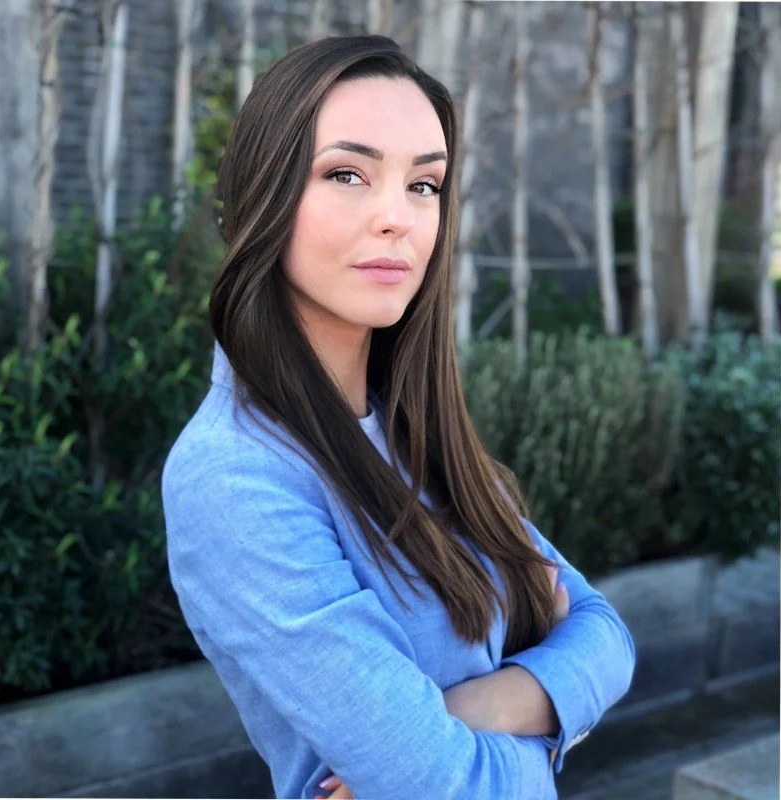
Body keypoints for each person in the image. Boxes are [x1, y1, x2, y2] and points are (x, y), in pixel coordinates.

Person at [161, 34, 636, 800]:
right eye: (347, 174)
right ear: (263, 196)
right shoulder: (235, 476)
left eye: (424, 184)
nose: (398, 218)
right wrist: (545, 700)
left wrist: (470, 709)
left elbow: (607, 635)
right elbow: (445, 784)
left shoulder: (411, 426)